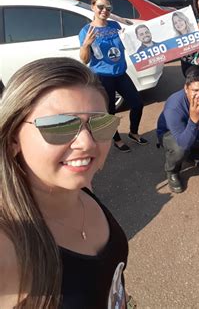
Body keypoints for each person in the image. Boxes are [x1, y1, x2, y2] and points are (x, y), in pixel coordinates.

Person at [0, 57, 129, 308]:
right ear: (13, 139)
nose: (88, 144)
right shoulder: (7, 243)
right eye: (59, 126)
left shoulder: (82, 187)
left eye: (100, 123)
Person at [79, 0, 147, 153]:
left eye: (108, 8)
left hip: (120, 73)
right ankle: (116, 139)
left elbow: (128, 43)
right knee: (110, 111)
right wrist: (85, 45)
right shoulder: (86, 31)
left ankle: (133, 132)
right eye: (100, 7)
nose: (104, 10)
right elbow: (84, 60)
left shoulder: (115, 25)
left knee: (137, 103)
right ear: (93, 7)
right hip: (102, 77)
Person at [156, 68, 199, 193]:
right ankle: (172, 171)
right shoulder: (174, 105)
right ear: (186, 89)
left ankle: (195, 155)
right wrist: (193, 120)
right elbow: (183, 143)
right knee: (180, 149)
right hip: (172, 135)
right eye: (195, 90)